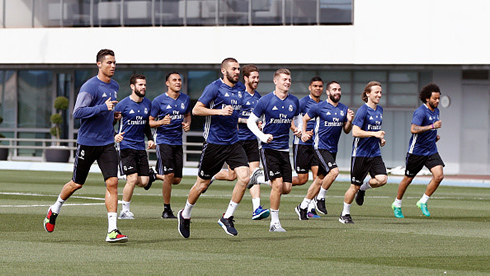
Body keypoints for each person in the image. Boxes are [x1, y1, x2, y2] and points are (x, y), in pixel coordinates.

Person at [43, 49, 128, 243]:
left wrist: (112, 116)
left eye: (115, 62)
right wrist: (102, 108)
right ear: (99, 64)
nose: (113, 66)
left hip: (107, 142)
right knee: (76, 184)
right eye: (109, 63)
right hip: (88, 143)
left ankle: (112, 230)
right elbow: (78, 112)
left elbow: (105, 113)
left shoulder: (114, 85)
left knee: (113, 183)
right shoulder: (90, 86)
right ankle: (54, 209)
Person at [177, 58, 258, 239]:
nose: (237, 72)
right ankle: (185, 214)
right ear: (224, 71)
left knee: (245, 177)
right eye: (234, 69)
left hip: (233, 142)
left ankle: (227, 217)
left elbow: (242, 111)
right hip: (214, 144)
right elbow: (197, 110)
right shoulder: (214, 87)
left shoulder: (240, 89)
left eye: (238, 69)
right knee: (201, 185)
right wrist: (219, 111)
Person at [211, 64, 270, 220]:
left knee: (254, 173)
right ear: (246, 78)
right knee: (231, 176)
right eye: (254, 77)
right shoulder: (238, 94)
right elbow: (231, 116)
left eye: (258, 77)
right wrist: (247, 121)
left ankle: (257, 208)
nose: (256, 80)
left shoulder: (258, 98)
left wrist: (259, 124)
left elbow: (257, 117)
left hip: (251, 141)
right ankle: (212, 175)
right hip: (237, 140)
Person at [247, 68, 300, 232]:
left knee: (286, 188)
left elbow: (297, 119)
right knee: (277, 185)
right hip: (268, 148)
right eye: (284, 79)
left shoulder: (294, 101)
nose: (287, 82)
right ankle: (274, 223)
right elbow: (250, 122)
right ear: (275, 81)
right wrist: (262, 136)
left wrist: (298, 130)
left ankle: (259, 176)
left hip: (284, 149)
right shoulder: (265, 100)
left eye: (289, 79)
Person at [295, 80, 354, 220]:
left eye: (339, 89)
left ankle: (303, 206)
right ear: (328, 92)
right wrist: (303, 133)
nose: (337, 92)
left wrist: (350, 121)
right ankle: (320, 198)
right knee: (334, 171)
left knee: (320, 179)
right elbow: (305, 118)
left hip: (333, 149)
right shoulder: (319, 107)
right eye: (334, 89)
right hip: (320, 146)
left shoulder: (344, 109)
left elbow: (346, 131)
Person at [392, 83, 444, 218]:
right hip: (416, 152)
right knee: (408, 179)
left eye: (438, 98)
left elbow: (429, 130)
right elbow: (414, 129)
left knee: (439, 176)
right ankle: (397, 204)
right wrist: (432, 126)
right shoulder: (420, 112)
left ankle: (423, 201)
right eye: (435, 99)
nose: (437, 101)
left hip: (431, 150)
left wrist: (434, 135)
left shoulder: (436, 111)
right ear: (427, 98)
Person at [339, 81, 388, 224]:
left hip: (375, 153)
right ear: (368, 94)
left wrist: (380, 140)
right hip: (360, 154)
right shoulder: (362, 110)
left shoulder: (380, 110)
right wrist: (374, 134)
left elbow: (374, 131)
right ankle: (344, 214)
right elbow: (355, 132)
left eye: (380, 92)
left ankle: (363, 189)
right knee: (353, 186)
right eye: (376, 92)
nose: (379, 95)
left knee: (382, 179)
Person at [149, 71, 191, 219]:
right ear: (167, 83)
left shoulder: (185, 99)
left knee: (177, 179)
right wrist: (161, 122)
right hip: (163, 141)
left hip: (177, 141)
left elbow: (187, 115)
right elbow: (150, 121)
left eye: (179, 80)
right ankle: (166, 210)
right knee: (169, 175)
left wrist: (187, 124)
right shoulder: (158, 101)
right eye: (174, 80)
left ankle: (153, 175)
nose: (178, 82)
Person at [115, 74, 156, 220]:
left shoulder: (148, 104)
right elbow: (109, 122)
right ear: (132, 87)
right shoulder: (123, 104)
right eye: (140, 85)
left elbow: (145, 125)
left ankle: (151, 175)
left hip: (140, 147)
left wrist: (150, 139)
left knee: (144, 182)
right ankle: (125, 211)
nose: (143, 87)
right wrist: (114, 135)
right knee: (132, 179)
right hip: (126, 146)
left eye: (144, 85)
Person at [291, 76, 323, 218]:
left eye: (320, 86)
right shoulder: (302, 102)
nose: (318, 88)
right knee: (302, 179)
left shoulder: (323, 105)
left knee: (318, 178)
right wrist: (297, 131)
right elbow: (290, 117)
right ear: (310, 88)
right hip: (302, 144)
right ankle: (279, 183)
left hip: (316, 146)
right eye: (315, 86)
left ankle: (309, 208)